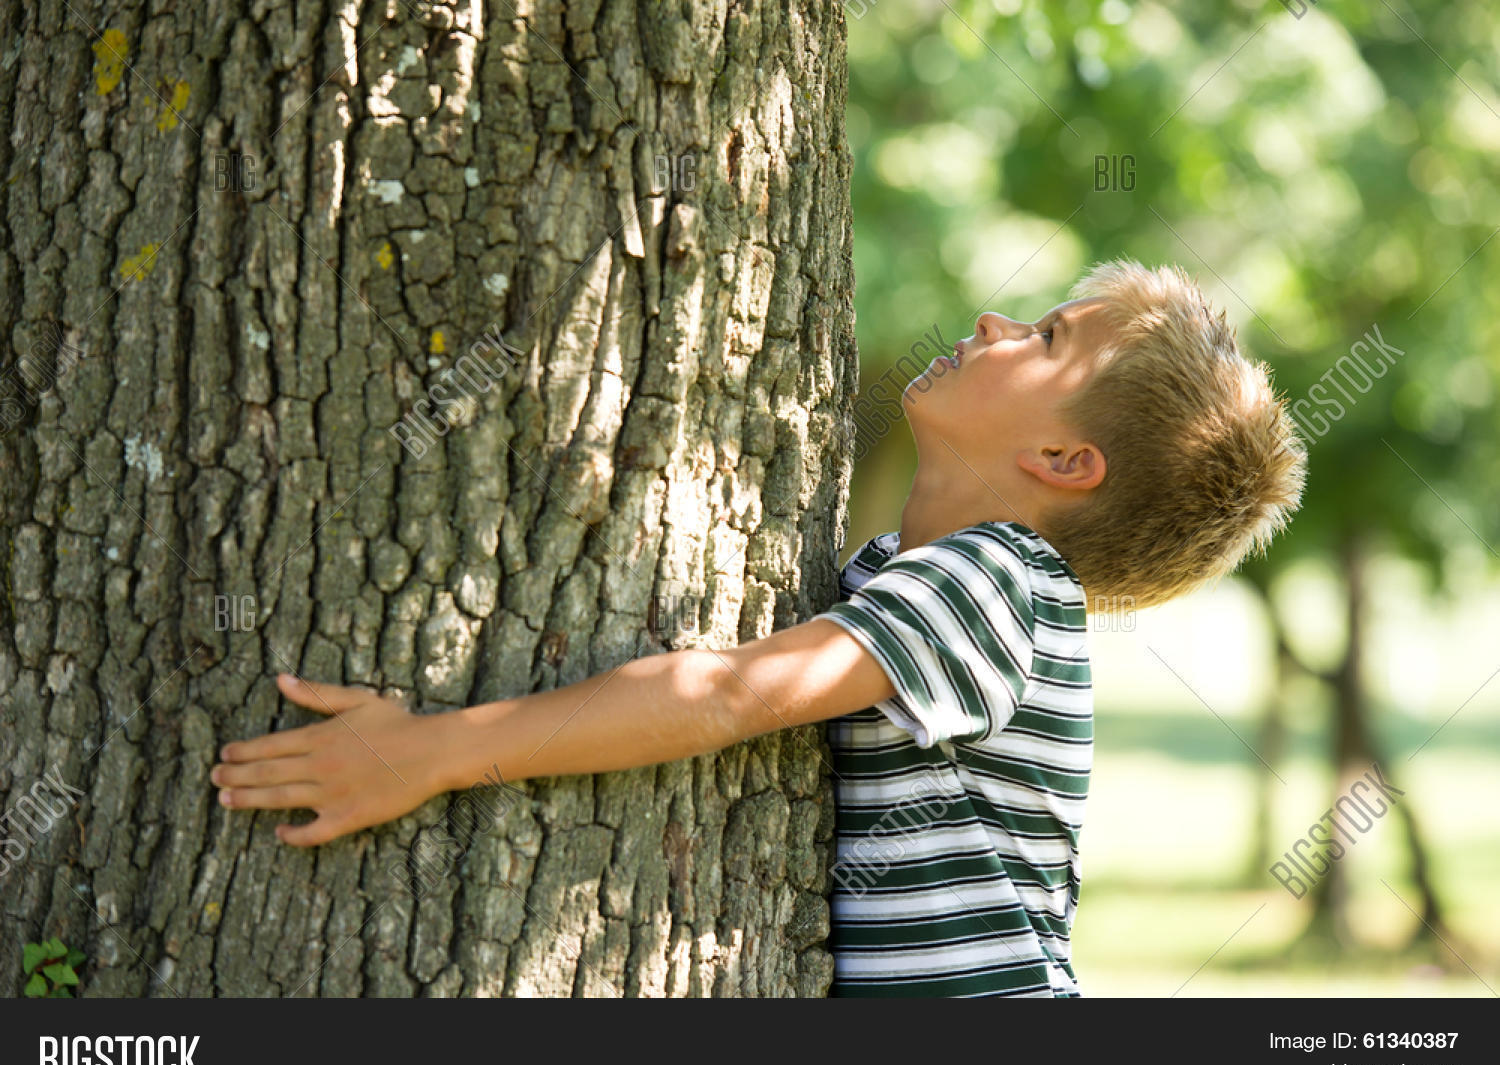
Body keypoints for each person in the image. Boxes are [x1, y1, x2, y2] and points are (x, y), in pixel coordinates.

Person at [210, 259, 1307, 996]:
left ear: (1065, 462)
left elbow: (724, 692)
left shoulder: (997, 581)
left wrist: (432, 748)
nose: (993, 320)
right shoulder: (918, 578)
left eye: (1047, 336)